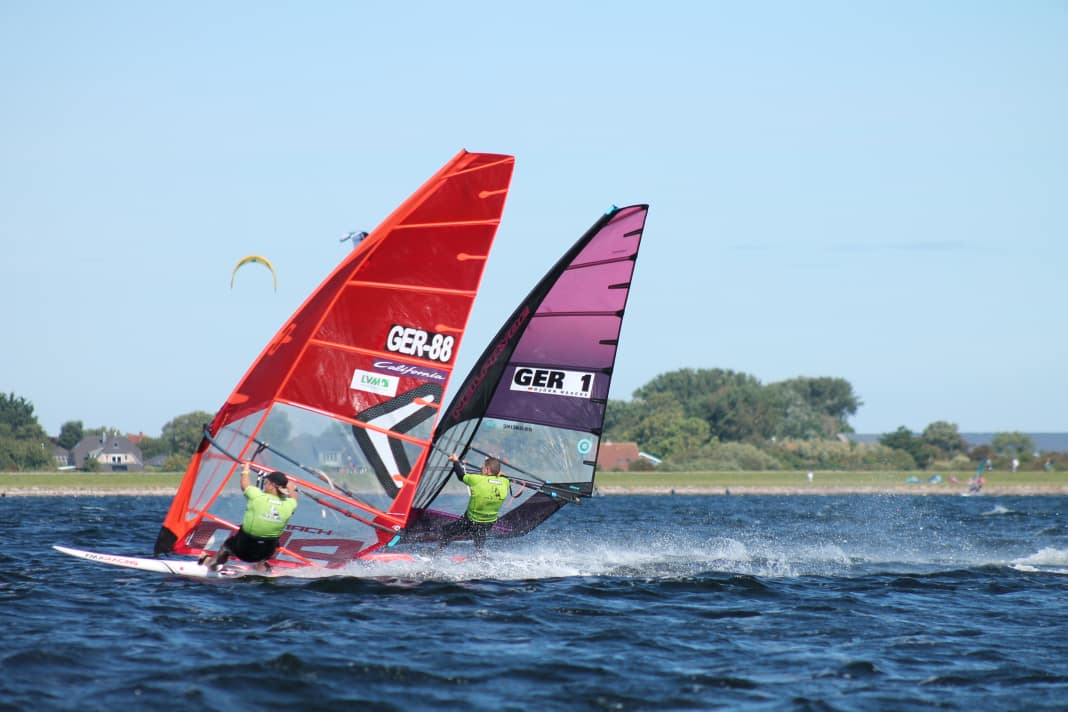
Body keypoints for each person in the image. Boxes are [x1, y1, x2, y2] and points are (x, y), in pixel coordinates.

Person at [200, 464, 298, 571]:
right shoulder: (290, 504)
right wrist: (291, 487)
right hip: (265, 553)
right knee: (272, 541)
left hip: (243, 550)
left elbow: (244, 484)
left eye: (266, 483)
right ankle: (261, 568)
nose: (264, 486)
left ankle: (211, 564)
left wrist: (245, 470)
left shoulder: (257, 496)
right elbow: (294, 498)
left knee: (227, 546)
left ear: (272, 485)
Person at [437, 453, 509, 555]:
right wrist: (500, 475)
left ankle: (437, 554)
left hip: (472, 521)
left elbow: (461, 476)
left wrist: (455, 461)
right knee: (479, 536)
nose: (481, 468)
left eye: (483, 467)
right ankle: (479, 555)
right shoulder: (505, 482)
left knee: (446, 531)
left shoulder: (476, 480)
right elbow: (501, 478)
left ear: (487, 470)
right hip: (489, 523)